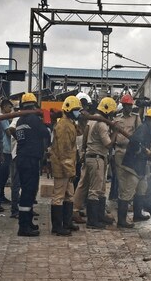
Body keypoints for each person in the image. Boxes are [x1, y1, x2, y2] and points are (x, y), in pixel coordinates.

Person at [117, 106, 151, 228]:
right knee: (127, 192)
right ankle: (121, 221)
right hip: (133, 166)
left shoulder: (146, 129)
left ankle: (137, 214)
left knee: (142, 189)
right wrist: (146, 152)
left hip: (139, 167)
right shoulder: (143, 129)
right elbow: (136, 144)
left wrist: (149, 154)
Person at [16, 92, 50, 237]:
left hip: (22, 158)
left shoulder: (19, 121)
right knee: (28, 192)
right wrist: (47, 117)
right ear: (35, 105)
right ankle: (23, 227)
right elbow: (47, 133)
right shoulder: (34, 119)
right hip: (30, 160)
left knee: (26, 191)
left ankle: (28, 222)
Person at [80, 97, 117, 230]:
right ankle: (93, 220)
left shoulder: (92, 119)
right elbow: (108, 144)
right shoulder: (101, 123)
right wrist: (116, 132)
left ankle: (99, 217)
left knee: (101, 190)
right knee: (95, 191)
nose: (112, 115)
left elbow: (84, 139)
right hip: (97, 158)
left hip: (93, 157)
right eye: (111, 112)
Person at [48, 96, 82, 236]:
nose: (78, 112)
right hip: (62, 168)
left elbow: (79, 133)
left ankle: (66, 223)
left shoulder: (69, 123)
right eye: (76, 110)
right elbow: (64, 151)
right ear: (68, 110)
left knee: (69, 195)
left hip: (67, 167)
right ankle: (57, 226)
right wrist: (70, 170)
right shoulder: (63, 126)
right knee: (59, 196)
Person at [0, 99, 13, 204]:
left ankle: (1, 195)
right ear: (4, 108)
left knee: (4, 174)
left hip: (7, 150)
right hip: (4, 150)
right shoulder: (3, 118)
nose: (11, 110)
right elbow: (8, 132)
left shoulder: (6, 119)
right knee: (3, 174)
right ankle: (0, 196)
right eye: (9, 107)